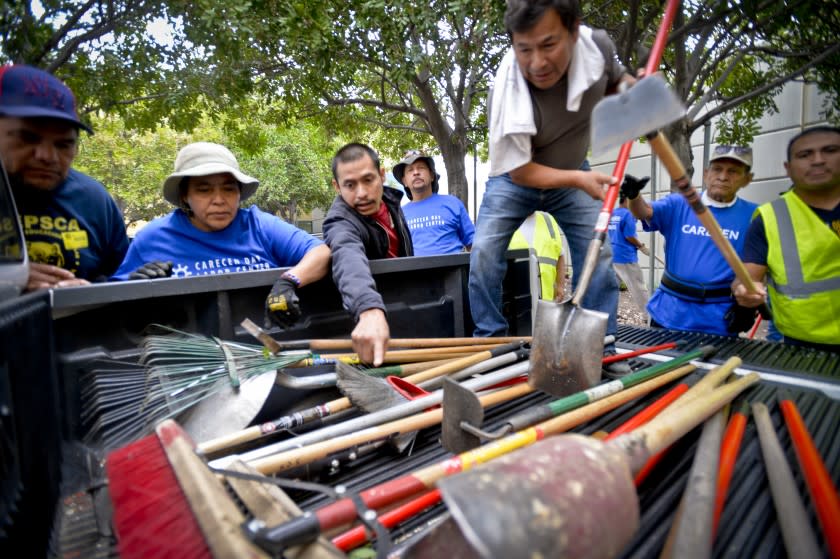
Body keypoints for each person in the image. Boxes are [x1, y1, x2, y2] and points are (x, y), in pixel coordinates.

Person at [468, 0, 635, 376]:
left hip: (574, 168)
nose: (537, 63)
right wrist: (579, 180)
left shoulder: (598, 47)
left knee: (600, 258)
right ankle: (492, 343)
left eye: (548, 45)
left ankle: (601, 349)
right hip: (516, 177)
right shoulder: (507, 90)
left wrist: (631, 91)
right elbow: (521, 174)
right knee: (483, 254)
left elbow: (614, 81)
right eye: (523, 49)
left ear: (574, 30)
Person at [111, 142, 330, 329]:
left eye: (228, 189)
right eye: (204, 190)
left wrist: (288, 281)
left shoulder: (259, 225)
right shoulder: (152, 238)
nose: (219, 200)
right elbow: (111, 311)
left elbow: (320, 253)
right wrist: (136, 287)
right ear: (184, 195)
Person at [0, 64, 128, 291]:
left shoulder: (95, 201)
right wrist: (10, 281)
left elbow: (118, 283)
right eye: (27, 138)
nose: (47, 157)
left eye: (63, 144)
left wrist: (91, 290)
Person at [623, 145, 758, 336]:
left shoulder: (754, 215)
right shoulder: (679, 204)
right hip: (669, 314)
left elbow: (760, 265)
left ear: (747, 179)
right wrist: (634, 196)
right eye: (717, 169)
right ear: (706, 174)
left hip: (720, 320)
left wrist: (748, 304)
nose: (723, 176)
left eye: (733, 171)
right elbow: (644, 212)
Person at [733, 126, 840, 352]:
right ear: (788, 169)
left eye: (830, 150)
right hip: (801, 346)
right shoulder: (769, 218)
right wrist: (744, 291)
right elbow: (747, 279)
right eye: (805, 155)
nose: (818, 160)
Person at [323, 143, 414, 366]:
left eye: (368, 180)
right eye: (350, 185)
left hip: (408, 309)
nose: (362, 193)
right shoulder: (340, 221)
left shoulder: (392, 201)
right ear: (337, 186)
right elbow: (347, 255)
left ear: (381, 175)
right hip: (369, 324)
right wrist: (368, 309)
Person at [393, 150, 474, 255]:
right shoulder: (399, 215)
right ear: (404, 182)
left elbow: (473, 245)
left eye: (421, 168)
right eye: (410, 170)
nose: (416, 172)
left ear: (432, 176)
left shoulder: (453, 204)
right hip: (414, 271)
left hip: (454, 270)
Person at [608, 189, 650, 321]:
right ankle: (649, 316)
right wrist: (641, 246)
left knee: (611, 288)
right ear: (627, 200)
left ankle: (609, 314)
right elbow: (629, 235)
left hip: (612, 255)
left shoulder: (613, 214)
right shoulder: (628, 215)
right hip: (626, 257)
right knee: (638, 287)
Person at [508, 211, 566, 301]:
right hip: (514, 304)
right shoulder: (504, 222)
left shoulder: (548, 220)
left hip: (546, 303)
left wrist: (560, 286)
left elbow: (560, 255)